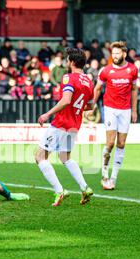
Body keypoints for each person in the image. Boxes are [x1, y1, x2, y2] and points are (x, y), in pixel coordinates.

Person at [36, 47, 94, 206]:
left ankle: (59, 190)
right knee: (65, 157)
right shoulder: (89, 81)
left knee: (40, 157)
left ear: (72, 62)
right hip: (75, 125)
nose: (66, 62)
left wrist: (47, 114)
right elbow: (90, 106)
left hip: (61, 123)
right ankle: (85, 187)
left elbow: (66, 100)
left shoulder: (69, 78)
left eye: (68, 59)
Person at [92, 41, 139, 190]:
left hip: (125, 110)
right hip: (110, 108)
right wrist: (92, 104)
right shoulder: (105, 70)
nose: (115, 56)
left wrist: (134, 110)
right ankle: (104, 174)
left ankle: (113, 178)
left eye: (117, 53)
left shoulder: (132, 70)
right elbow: (98, 88)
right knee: (111, 143)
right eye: (113, 54)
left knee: (121, 144)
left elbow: (134, 90)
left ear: (124, 54)